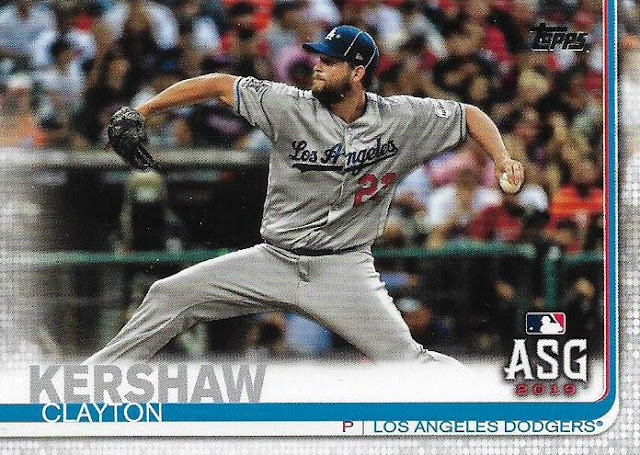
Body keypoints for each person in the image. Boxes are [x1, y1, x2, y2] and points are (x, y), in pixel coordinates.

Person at [85, 25, 524, 365]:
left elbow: (469, 115)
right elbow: (219, 84)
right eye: (319, 57)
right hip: (273, 260)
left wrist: (503, 158)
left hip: (343, 270)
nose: (317, 66)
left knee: (407, 362)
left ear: (357, 73)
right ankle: (89, 384)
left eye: (330, 62)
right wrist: (144, 110)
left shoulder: (402, 117)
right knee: (169, 294)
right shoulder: (288, 105)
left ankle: (479, 405)